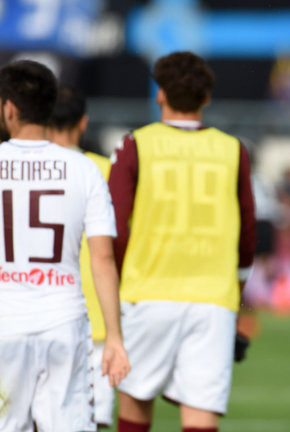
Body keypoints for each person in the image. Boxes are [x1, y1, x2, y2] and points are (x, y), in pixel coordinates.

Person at [108, 51, 257, 432]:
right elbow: (247, 236)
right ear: (206, 97)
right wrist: (235, 294)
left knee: (135, 407)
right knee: (201, 415)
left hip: (147, 291)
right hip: (213, 299)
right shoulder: (232, 149)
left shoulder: (135, 144)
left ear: (159, 93)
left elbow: (115, 229)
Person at [0, 60, 130, 431]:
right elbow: (102, 259)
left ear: (9, 107)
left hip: (5, 323)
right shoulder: (84, 169)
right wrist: (115, 338)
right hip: (64, 322)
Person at [47, 86, 116, 429]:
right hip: (97, 314)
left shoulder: (21, 168)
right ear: (83, 122)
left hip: (38, 310)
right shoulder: (104, 169)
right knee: (92, 420)